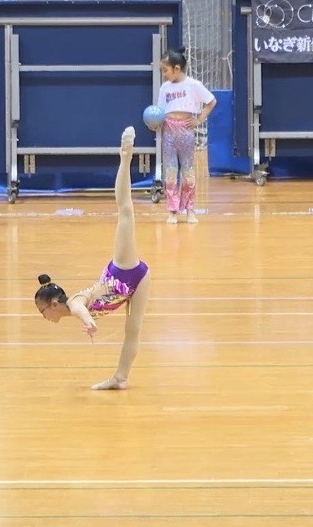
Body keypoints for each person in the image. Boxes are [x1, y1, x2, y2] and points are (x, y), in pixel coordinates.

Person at [33, 127, 150, 390]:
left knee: (125, 212)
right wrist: (88, 322)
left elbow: (80, 309)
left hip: (123, 271)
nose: (44, 317)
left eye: (42, 311)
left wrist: (88, 322)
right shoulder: (72, 306)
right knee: (133, 330)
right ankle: (120, 378)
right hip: (138, 282)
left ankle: (126, 155)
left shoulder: (74, 301)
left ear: (54, 304)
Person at [157, 46, 216, 224]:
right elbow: (160, 111)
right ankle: (172, 211)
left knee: (188, 171)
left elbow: (211, 101)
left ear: (176, 68)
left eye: (165, 70)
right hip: (168, 130)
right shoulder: (164, 88)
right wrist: (155, 123)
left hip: (186, 130)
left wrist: (199, 120)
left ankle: (190, 209)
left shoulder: (193, 85)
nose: (163, 74)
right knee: (170, 172)